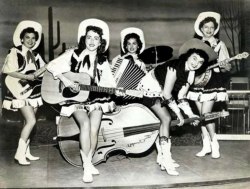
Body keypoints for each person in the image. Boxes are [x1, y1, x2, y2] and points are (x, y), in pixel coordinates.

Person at [46, 18, 122, 183]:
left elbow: (110, 84)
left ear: (101, 42)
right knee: (85, 125)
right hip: (75, 99)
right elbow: (51, 66)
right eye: (89, 37)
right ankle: (87, 166)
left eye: (96, 38)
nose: (92, 41)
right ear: (84, 38)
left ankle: (89, 162)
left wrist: (112, 89)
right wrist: (66, 81)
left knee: (94, 129)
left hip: (96, 98)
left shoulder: (102, 61)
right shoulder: (72, 54)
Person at [137, 39, 218, 176]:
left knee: (162, 123)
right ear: (188, 56)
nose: (196, 63)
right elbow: (167, 93)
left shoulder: (191, 75)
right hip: (150, 89)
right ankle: (167, 159)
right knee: (166, 119)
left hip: (161, 92)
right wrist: (179, 115)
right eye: (194, 58)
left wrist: (191, 115)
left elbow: (181, 96)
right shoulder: (174, 67)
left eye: (200, 62)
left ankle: (162, 157)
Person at [187, 12, 232, 159]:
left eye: (212, 27)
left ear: (215, 29)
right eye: (206, 27)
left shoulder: (220, 45)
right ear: (201, 28)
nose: (209, 30)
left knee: (206, 115)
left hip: (213, 82)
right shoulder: (195, 44)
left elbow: (227, 68)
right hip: (197, 82)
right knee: (202, 117)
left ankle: (214, 143)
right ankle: (205, 145)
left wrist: (223, 65)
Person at [2, 20, 46, 166]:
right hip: (18, 90)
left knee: (28, 122)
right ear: (21, 38)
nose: (30, 41)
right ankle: (19, 154)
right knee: (32, 120)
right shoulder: (14, 51)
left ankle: (26, 152)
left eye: (33, 38)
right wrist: (27, 77)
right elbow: (7, 70)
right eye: (27, 37)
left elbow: (44, 70)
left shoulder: (35, 55)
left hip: (32, 92)